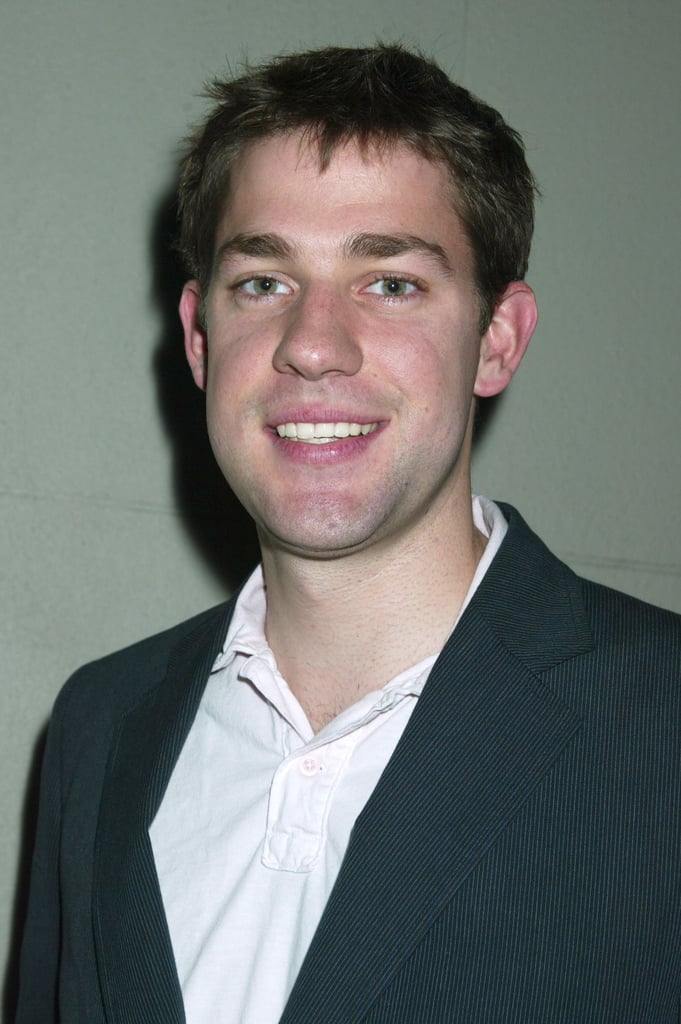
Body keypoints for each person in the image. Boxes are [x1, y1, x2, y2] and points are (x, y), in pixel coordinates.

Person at [15, 44, 681, 1024]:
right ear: (200, 339)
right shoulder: (98, 728)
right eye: (264, 282)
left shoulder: (661, 726)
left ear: (498, 338)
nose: (312, 343)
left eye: (391, 283)